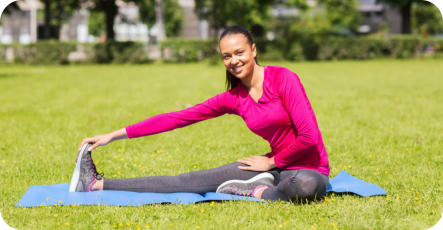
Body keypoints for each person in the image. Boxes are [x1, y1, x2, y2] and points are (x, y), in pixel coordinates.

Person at [70, 25, 330, 203]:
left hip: (308, 169)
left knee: (304, 186)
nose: (234, 61)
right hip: (271, 169)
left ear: (253, 50)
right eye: (226, 56)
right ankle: (96, 184)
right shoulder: (234, 99)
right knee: (188, 181)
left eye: (239, 52)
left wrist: (271, 163)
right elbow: (177, 118)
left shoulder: (284, 79)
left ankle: (259, 192)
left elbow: (309, 137)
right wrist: (113, 135)